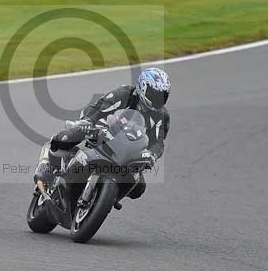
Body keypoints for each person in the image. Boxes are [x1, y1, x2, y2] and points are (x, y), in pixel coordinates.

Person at [34, 68, 171, 200]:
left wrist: (152, 155)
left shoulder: (162, 116)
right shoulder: (124, 94)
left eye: (163, 96)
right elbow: (100, 108)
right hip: (102, 127)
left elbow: (158, 142)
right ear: (143, 87)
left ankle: (106, 197)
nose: (158, 99)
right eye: (154, 94)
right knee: (67, 137)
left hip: (129, 147)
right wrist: (88, 122)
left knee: (138, 188)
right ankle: (48, 163)